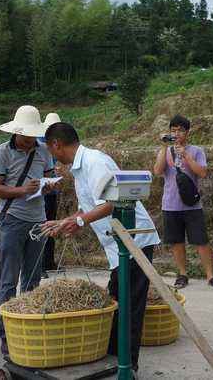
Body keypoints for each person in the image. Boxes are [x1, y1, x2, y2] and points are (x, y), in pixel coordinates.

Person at [40, 122, 160, 377]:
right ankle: (115, 358)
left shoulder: (95, 162)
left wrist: (80, 220)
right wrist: (68, 221)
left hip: (134, 241)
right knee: (117, 300)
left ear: (56, 145)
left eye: (51, 151)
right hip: (119, 245)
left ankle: (128, 365)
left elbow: (115, 201)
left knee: (129, 305)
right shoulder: (81, 168)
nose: (53, 156)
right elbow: (91, 207)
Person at [0, 105, 57, 355]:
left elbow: (50, 177)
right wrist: (22, 191)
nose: (30, 138)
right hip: (12, 220)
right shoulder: (0, 153)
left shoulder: (43, 152)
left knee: (33, 278)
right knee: (9, 280)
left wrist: (48, 186)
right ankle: (6, 333)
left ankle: (27, 327)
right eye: (26, 133)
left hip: (38, 220)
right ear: (16, 131)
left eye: (33, 133)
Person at [153, 114, 213, 290]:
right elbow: (157, 171)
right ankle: (182, 274)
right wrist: (164, 147)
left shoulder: (196, 151)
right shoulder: (166, 151)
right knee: (176, 241)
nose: (176, 134)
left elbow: (201, 172)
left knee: (201, 241)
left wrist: (185, 155)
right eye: (173, 130)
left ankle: (210, 275)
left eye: (180, 130)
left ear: (188, 132)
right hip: (170, 204)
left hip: (192, 204)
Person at [38, 113, 62, 277]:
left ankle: (49, 262)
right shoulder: (40, 145)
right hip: (41, 192)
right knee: (42, 228)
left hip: (51, 191)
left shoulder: (56, 143)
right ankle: (40, 266)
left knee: (51, 226)